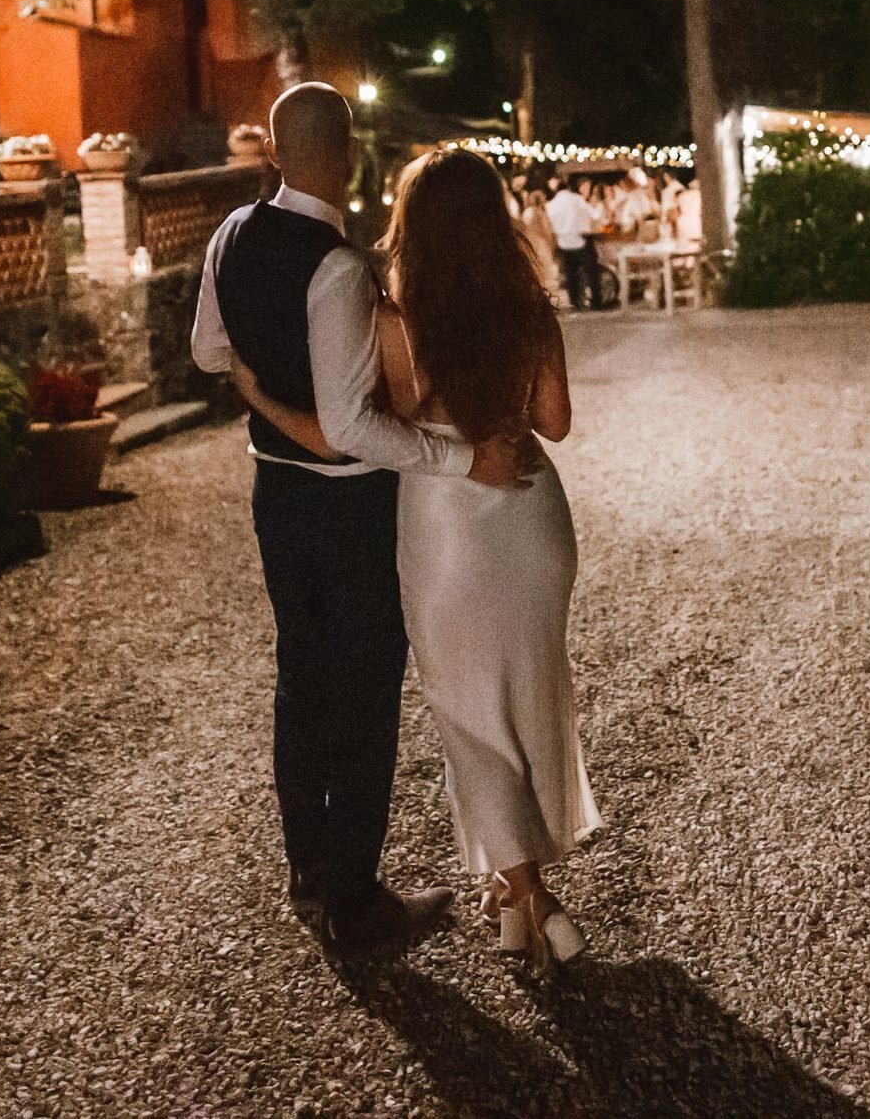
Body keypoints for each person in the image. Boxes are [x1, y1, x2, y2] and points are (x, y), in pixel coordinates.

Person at [235, 149, 601, 972]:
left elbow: (365, 429)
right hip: (535, 518)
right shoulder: (531, 311)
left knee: (468, 717)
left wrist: (260, 397)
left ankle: (534, 895)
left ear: (415, 223)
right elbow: (557, 421)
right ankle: (513, 904)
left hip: (447, 529)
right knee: (526, 698)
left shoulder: (396, 323)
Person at [191, 84, 531, 954]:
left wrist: (258, 391)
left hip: (275, 498)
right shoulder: (337, 266)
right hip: (344, 511)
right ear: (346, 155)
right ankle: (355, 898)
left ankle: (308, 872)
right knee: (366, 693)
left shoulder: (232, 234)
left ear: (272, 150)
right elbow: (351, 432)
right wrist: (463, 458)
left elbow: (207, 350)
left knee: (300, 681)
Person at [546, 178, 602, 311]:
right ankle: (595, 302)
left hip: (563, 241)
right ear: (568, 188)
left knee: (570, 273)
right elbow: (594, 214)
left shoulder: (551, 204)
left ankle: (574, 302)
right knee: (591, 272)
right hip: (581, 238)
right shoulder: (576, 199)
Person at [513, 172, 564, 306]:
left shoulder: (529, 213)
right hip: (541, 243)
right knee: (544, 269)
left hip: (534, 243)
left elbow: (525, 227)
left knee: (539, 269)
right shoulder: (542, 214)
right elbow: (547, 230)